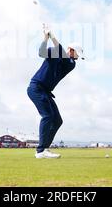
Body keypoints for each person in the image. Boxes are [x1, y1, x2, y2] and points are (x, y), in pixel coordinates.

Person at [27, 25, 84, 159]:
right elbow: (41, 53)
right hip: (36, 88)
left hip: (45, 91)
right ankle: (41, 151)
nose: (77, 57)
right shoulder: (54, 52)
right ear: (71, 50)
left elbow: (62, 54)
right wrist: (45, 38)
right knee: (47, 116)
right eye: (77, 54)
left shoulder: (71, 63)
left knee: (57, 120)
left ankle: (44, 148)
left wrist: (52, 36)